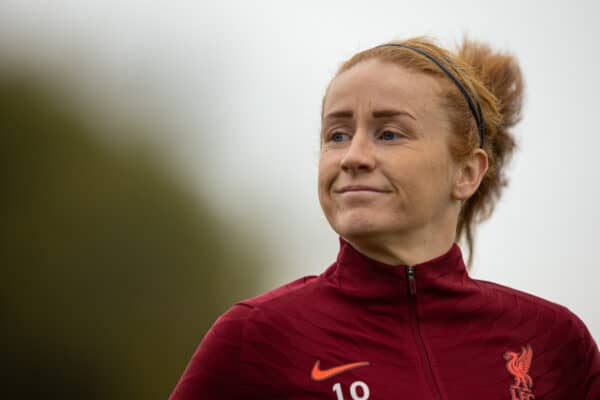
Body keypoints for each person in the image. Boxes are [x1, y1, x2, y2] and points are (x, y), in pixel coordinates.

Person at [169, 36, 600, 399]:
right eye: (336, 135)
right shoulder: (258, 336)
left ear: (468, 172)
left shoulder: (554, 341)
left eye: (389, 133)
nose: (353, 156)